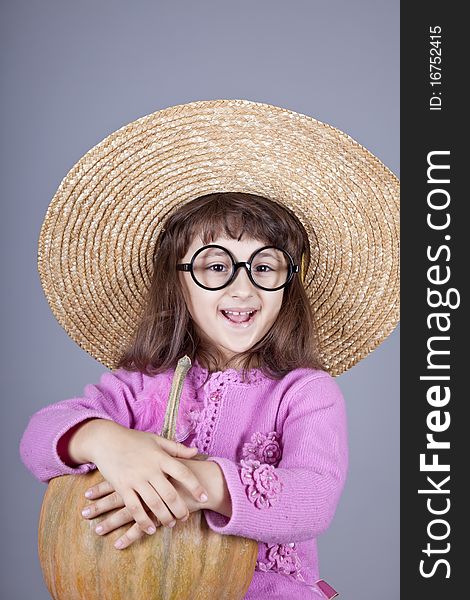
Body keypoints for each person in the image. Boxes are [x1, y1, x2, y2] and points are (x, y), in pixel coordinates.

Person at [20, 100, 400, 599]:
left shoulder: (305, 392)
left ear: (290, 283)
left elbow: (312, 500)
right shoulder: (137, 386)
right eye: (215, 267)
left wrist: (192, 481)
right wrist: (105, 442)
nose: (244, 290)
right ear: (177, 283)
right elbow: (37, 438)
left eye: (264, 267)